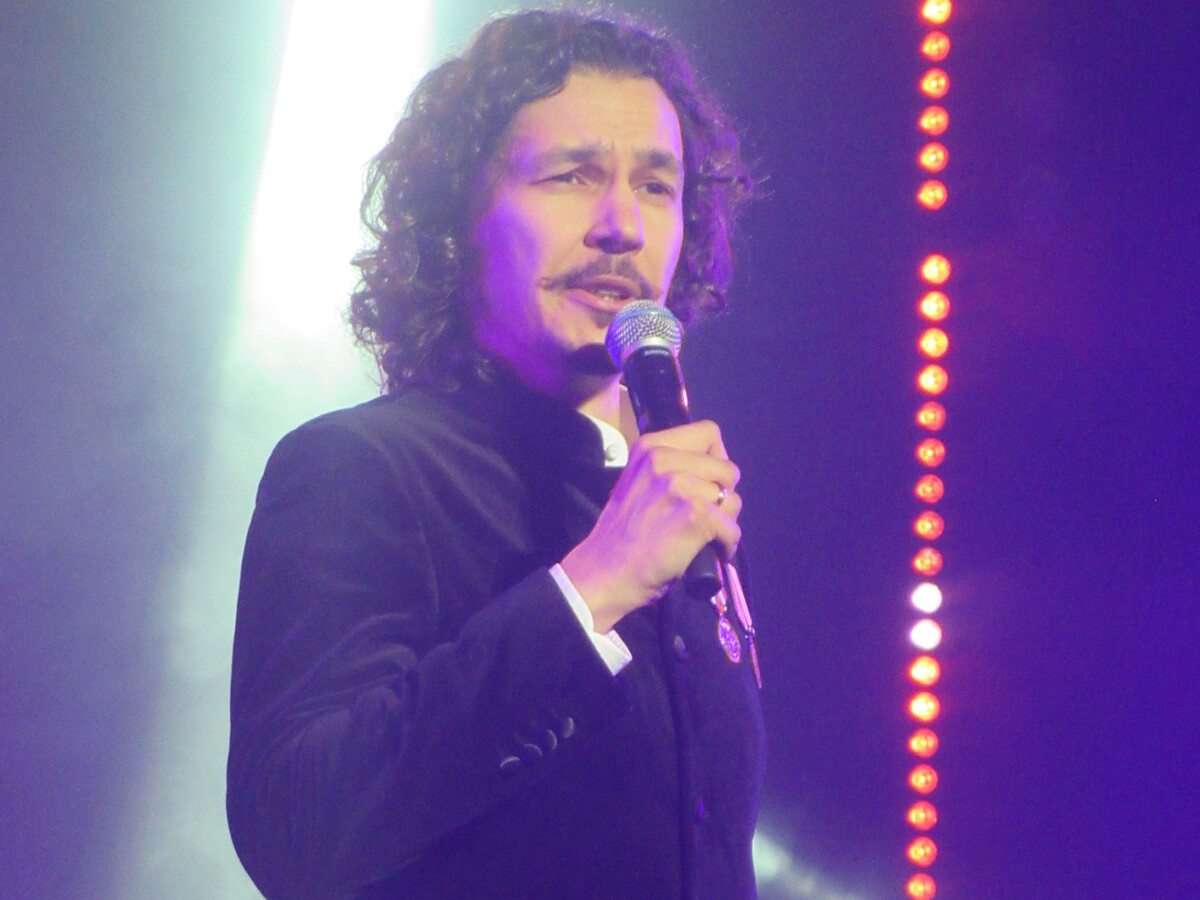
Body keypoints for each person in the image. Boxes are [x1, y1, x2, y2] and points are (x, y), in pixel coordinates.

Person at [227, 9, 763, 899]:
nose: (622, 225)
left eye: (657, 186)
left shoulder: (677, 501)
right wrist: (593, 587)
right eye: (571, 175)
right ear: (458, 218)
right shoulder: (360, 468)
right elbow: (295, 831)